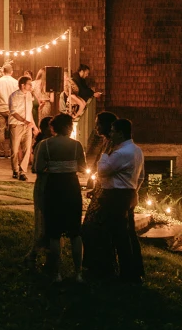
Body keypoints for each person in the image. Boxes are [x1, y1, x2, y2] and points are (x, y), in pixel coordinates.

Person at [34, 113, 87, 282]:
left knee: (54, 233)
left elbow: (38, 168)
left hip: (53, 187)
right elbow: (82, 167)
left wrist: (54, 167)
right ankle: (78, 273)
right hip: (71, 187)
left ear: (53, 127)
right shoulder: (77, 146)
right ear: (69, 127)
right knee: (75, 233)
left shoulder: (45, 145)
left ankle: (56, 273)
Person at [97, 118, 145, 284]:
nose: (110, 134)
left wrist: (104, 153)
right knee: (129, 233)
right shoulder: (137, 150)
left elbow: (102, 171)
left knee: (119, 235)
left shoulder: (121, 153)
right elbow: (142, 177)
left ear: (120, 133)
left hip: (116, 195)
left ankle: (126, 273)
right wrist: (134, 192)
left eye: (112, 131)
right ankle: (135, 270)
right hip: (128, 193)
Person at [81, 111, 118, 276]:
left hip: (107, 192)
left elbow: (106, 168)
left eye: (98, 124)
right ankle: (93, 263)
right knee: (90, 227)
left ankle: (101, 265)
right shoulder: (105, 142)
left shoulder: (112, 145)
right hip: (100, 189)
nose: (96, 127)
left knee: (94, 227)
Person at [26, 116, 54, 264]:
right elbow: (36, 168)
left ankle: (49, 250)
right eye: (51, 126)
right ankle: (36, 250)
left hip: (53, 184)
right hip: (43, 183)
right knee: (42, 217)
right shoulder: (42, 144)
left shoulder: (53, 144)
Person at [9, 74, 38, 180]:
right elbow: (13, 112)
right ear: (22, 85)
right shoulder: (14, 96)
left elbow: (29, 112)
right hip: (16, 125)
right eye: (29, 84)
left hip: (27, 125)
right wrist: (24, 121)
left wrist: (34, 126)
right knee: (15, 149)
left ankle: (23, 171)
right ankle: (15, 170)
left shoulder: (30, 95)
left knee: (27, 149)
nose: (31, 86)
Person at [0, 63, 18, 158]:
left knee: (0, 130)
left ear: (2, 71)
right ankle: (12, 152)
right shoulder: (15, 82)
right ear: (11, 72)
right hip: (12, 109)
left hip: (1, 107)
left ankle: (2, 152)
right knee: (13, 131)